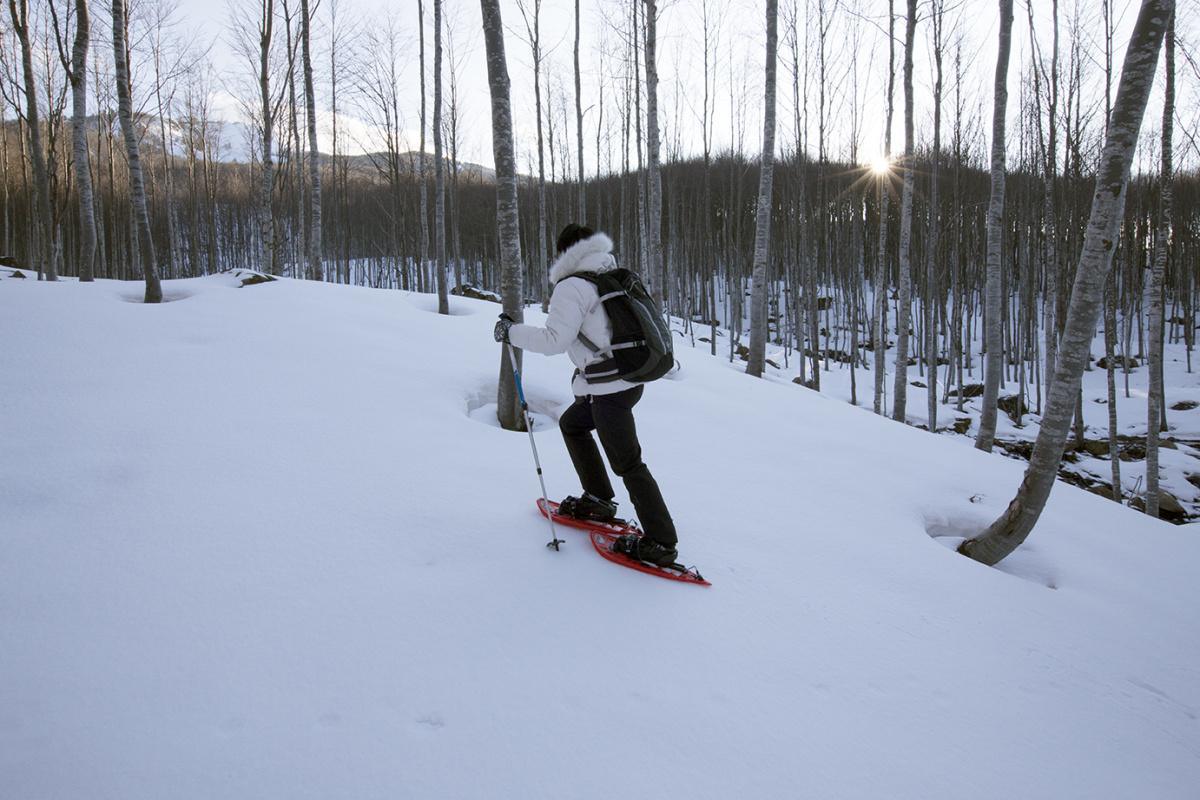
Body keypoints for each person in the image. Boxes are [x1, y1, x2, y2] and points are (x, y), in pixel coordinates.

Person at [493, 224, 679, 568]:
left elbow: (554, 341)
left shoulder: (571, 286)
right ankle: (598, 498)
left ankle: (662, 542)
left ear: (565, 253)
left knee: (628, 463)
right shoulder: (611, 274)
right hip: (627, 380)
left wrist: (511, 332)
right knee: (573, 424)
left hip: (610, 389)